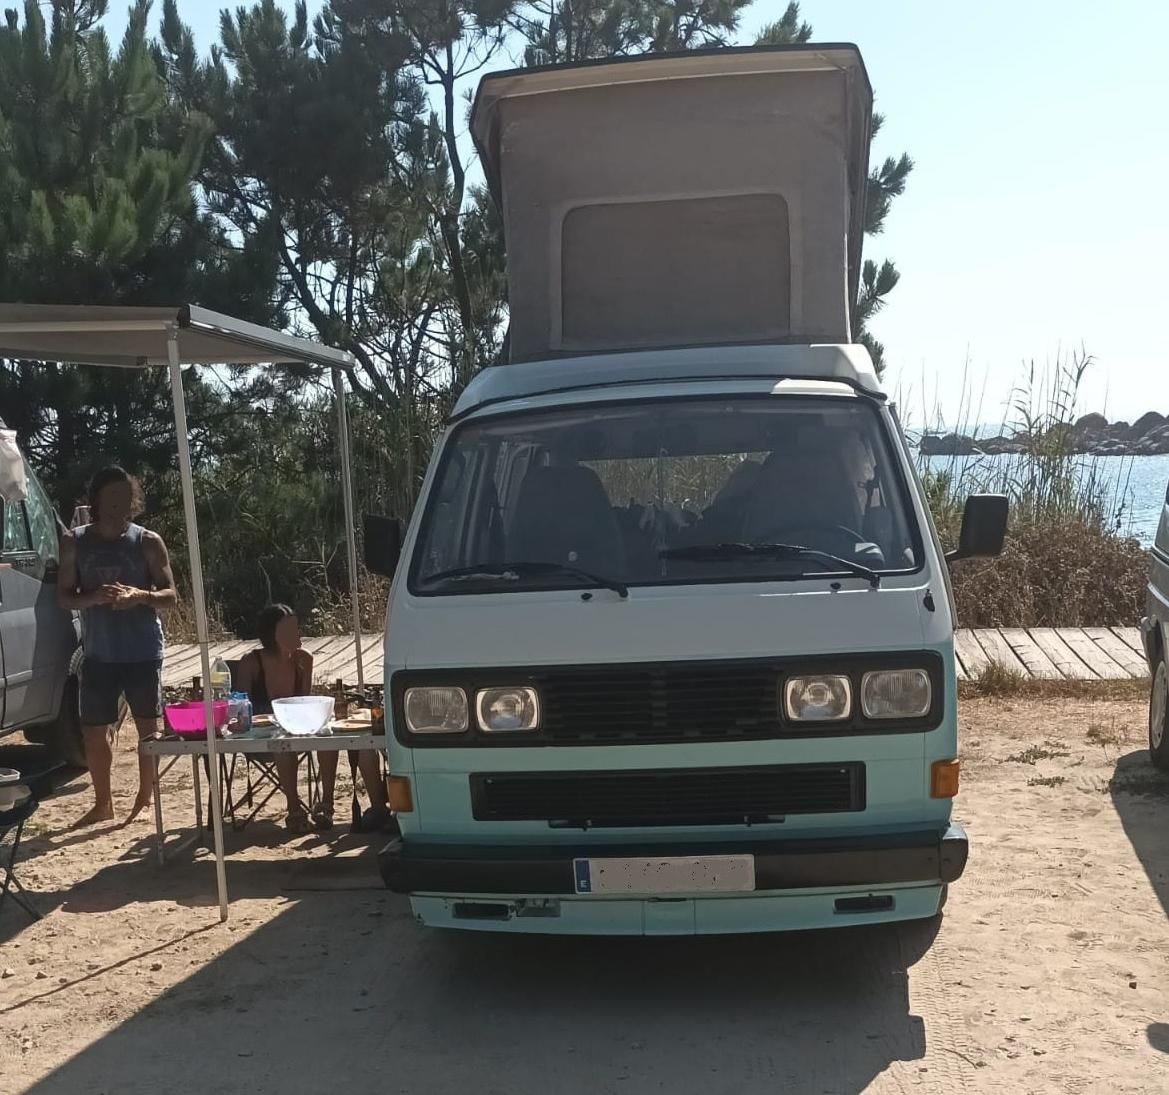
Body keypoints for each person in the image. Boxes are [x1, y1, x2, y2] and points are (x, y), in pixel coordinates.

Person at [57, 466, 178, 828]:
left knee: (148, 729)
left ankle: (146, 793)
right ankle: (102, 803)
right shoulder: (75, 541)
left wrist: (141, 596)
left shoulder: (148, 541)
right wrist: (93, 597)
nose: (119, 504)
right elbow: (64, 598)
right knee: (94, 730)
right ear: (97, 500)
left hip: (142, 649)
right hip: (98, 651)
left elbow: (171, 596)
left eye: (126, 497)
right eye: (112, 498)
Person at [235, 604, 390, 834]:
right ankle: (295, 811)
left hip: (297, 728)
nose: (297, 633)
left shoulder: (303, 660)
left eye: (296, 628)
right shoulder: (251, 662)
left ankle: (326, 805)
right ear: (273, 634)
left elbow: (303, 703)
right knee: (282, 744)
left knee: (328, 737)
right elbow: (239, 707)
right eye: (290, 630)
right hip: (262, 737)